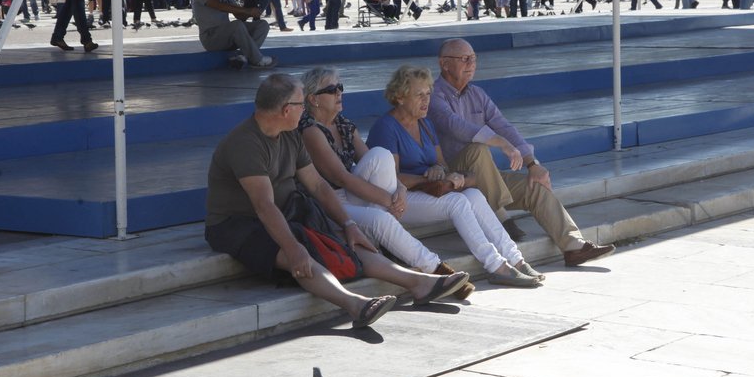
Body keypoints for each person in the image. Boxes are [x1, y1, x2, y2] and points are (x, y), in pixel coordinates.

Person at [204, 74, 470, 329]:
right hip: (239, 224)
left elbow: (318, 185)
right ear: (286, 110)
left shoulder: (290, 133)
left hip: (288, 211)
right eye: (300, 104)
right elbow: (264, 206)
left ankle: (419, 282)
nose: (304, 109)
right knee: (297, 252)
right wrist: (294, 248)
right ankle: (354, 304)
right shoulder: (247, 144)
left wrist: (348, 223)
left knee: (349, 238)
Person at [429, 38, 616, 267]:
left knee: (535, 186)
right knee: (478, 148)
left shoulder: (477, 94)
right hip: (455, 177)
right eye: (464, 59)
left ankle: (573, 246)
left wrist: (532, 163)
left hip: (484, 178)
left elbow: (504, 126)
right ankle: (499, 215)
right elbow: (455, 125)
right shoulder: (433, 95)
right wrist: (497, 141)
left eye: (474, 58)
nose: (471, 64)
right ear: (445, 64)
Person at [298, 67, 474, 300]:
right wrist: (389, 200)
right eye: (331, 90)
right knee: (381, 217)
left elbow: (371, 159)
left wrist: (399, 188)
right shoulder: (310, 130)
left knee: (381, 155)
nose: (339, 92)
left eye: (340, 87)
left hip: (355, 194)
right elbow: (342, 177)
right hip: (330, 203)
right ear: (313, 99)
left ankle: (395, 251)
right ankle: (435, 268)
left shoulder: (342, 123)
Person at [367, 66, 543, 287]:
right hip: (396, 201)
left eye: (428, 93)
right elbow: (391, 180)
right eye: (419, 95)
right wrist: (427, 178)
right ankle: (496, 266)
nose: (426, 100)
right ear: (400, 98)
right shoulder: (386, 127)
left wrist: (444, 172)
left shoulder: (425, 123)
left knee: (475, 195)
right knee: (458, 202)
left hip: (425, 191)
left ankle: (516, 260)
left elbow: (440, 162)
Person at [192, 0, 275, 69]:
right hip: (211, 38)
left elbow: (237, 15)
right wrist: (247, 10)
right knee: (236, 25)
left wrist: (251, 11)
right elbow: (221, 6)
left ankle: (243, 57)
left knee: (262, 25)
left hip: (229, 35)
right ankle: (257, 60)